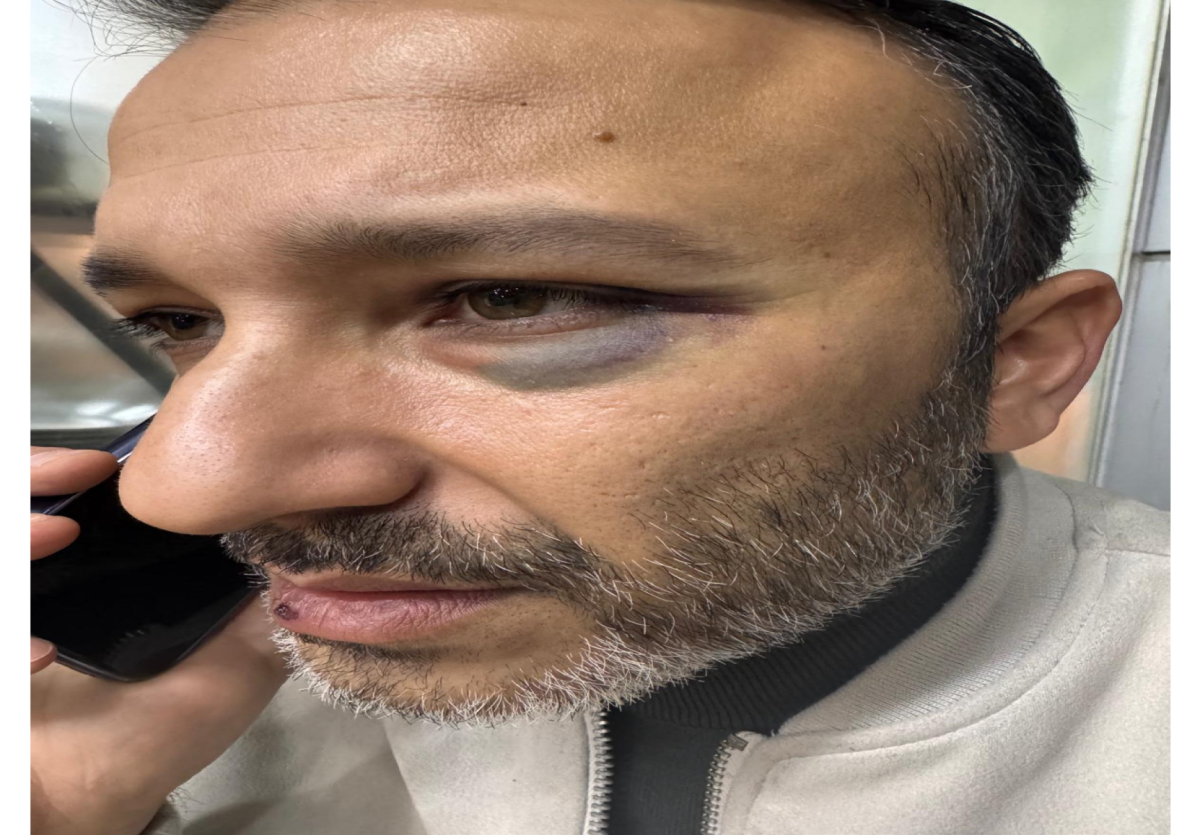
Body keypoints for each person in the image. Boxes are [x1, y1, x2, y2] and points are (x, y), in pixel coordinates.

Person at [28, 1, 1170, 833]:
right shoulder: (141, 712)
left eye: (513, 298)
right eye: (180, 321)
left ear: (1014, 364)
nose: (185, 486)